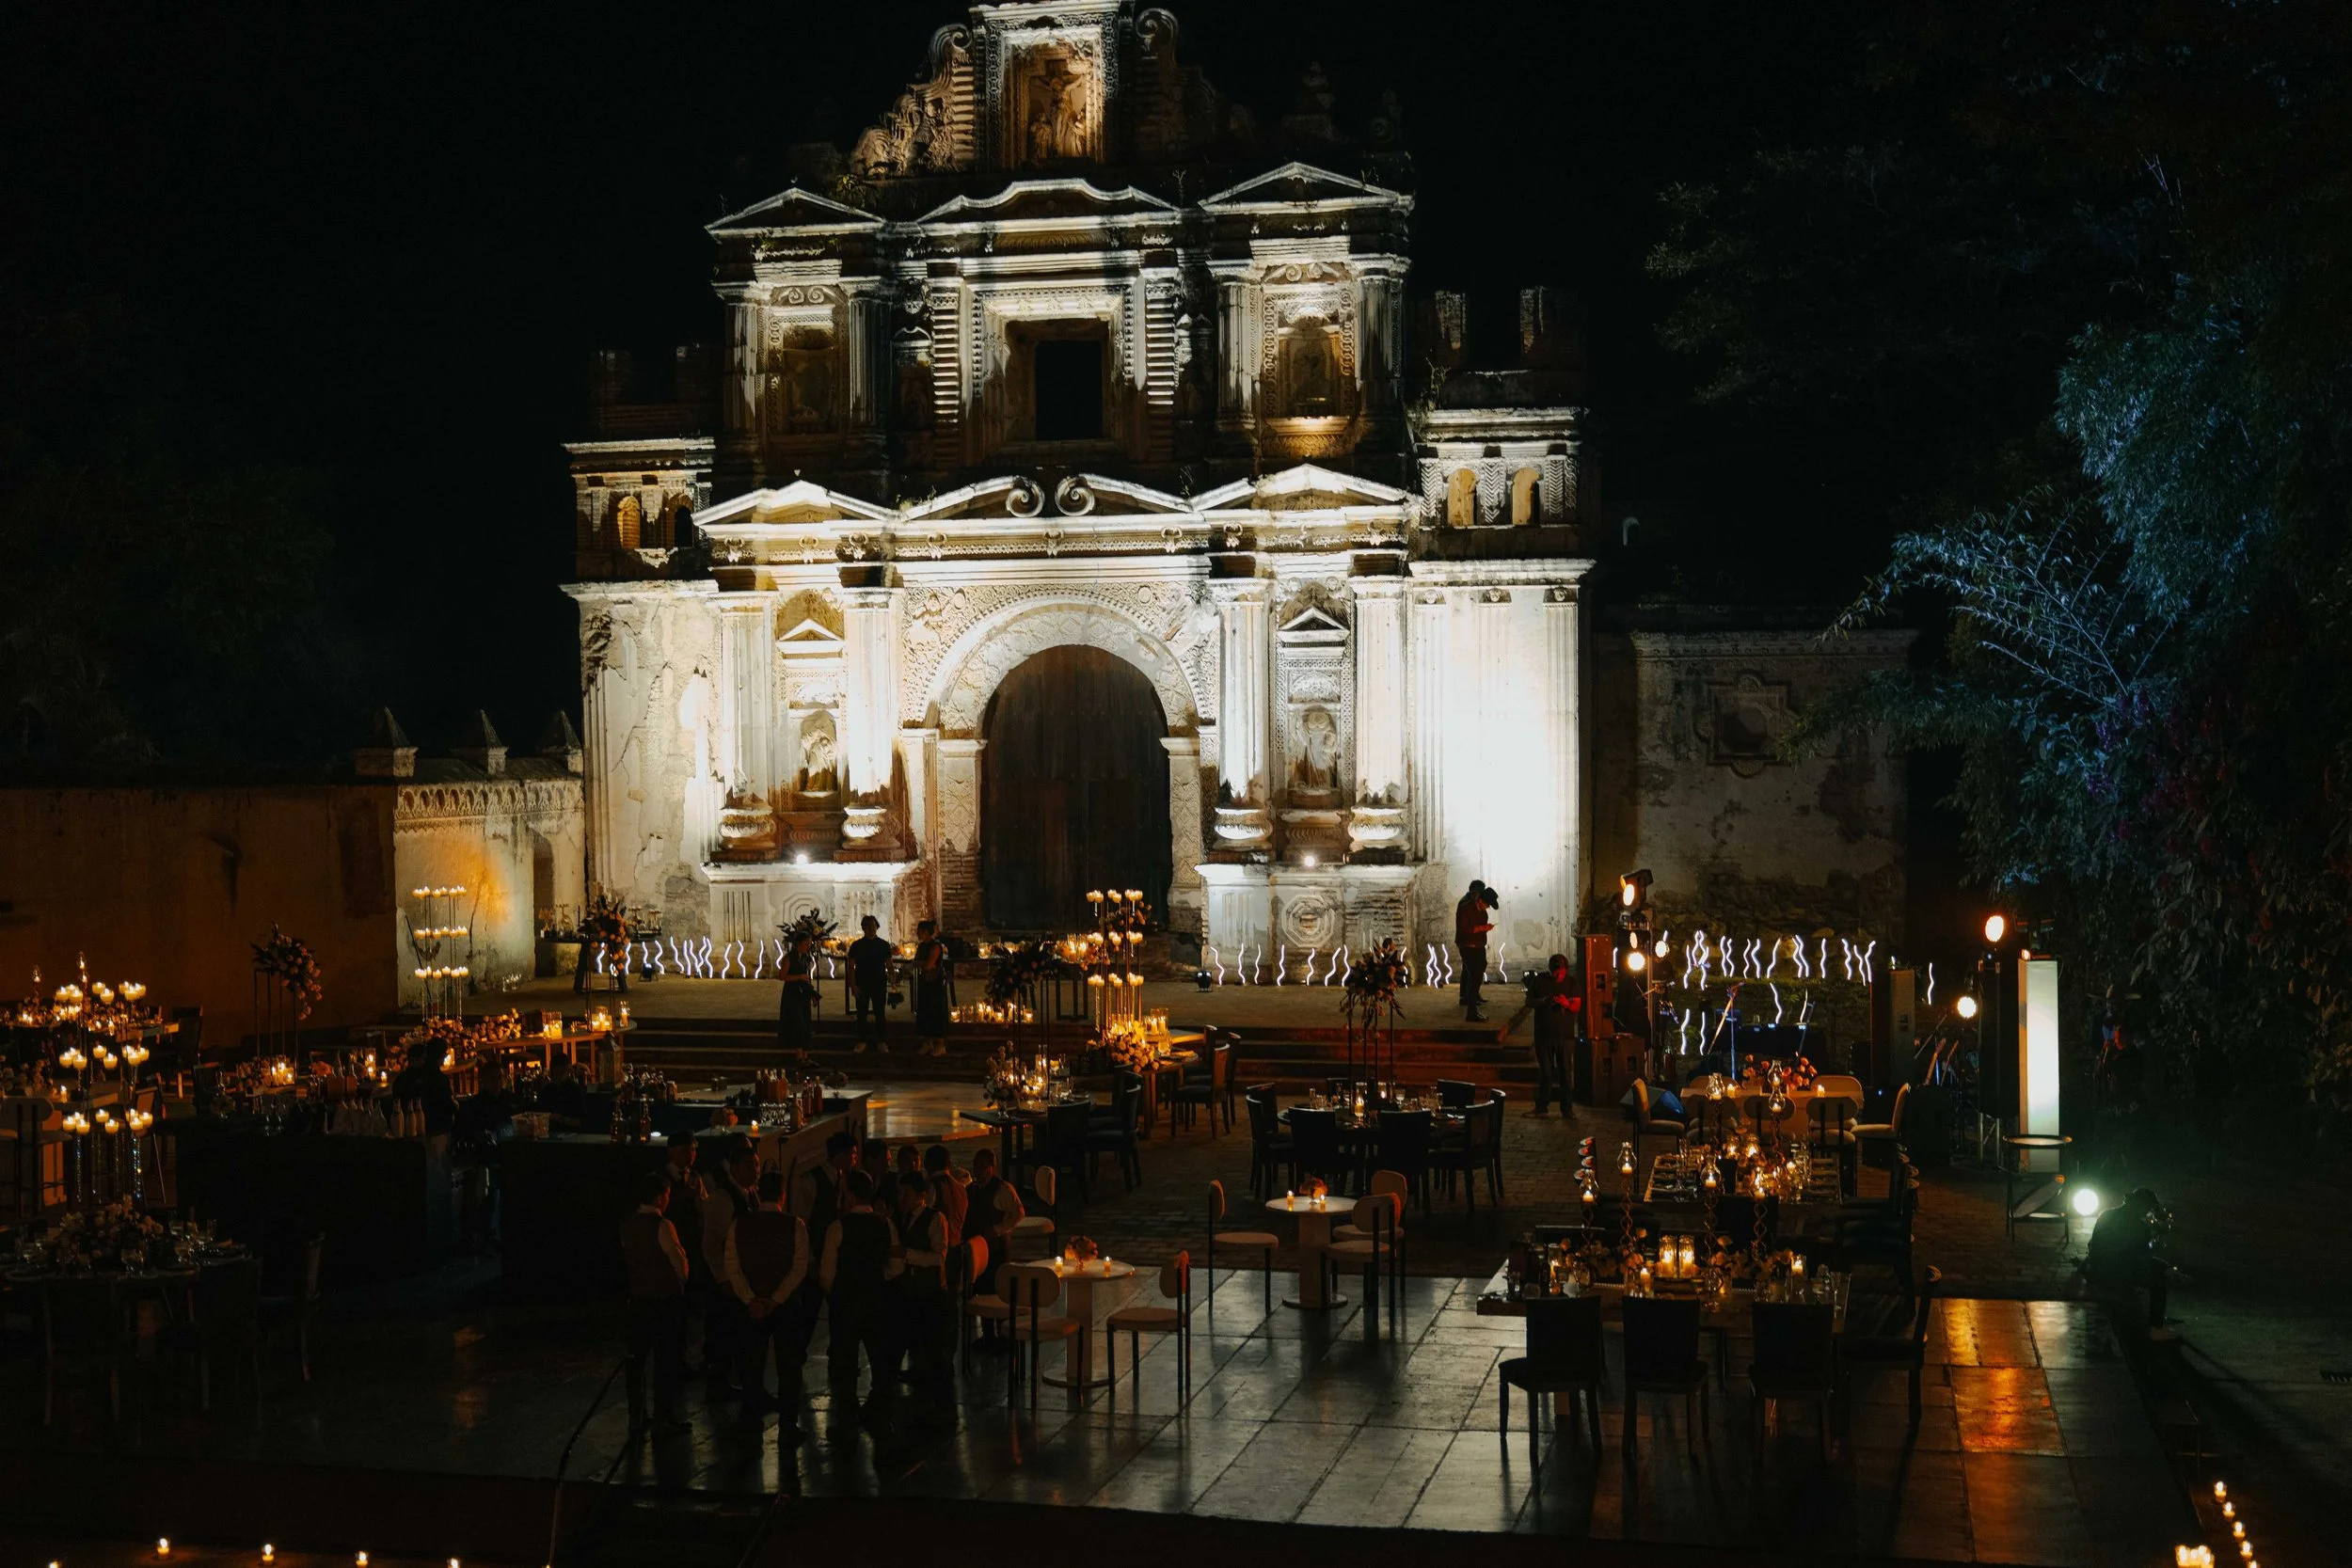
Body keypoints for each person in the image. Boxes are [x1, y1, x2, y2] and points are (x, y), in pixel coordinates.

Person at [723, 1169, 813, 1436]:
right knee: (789, 1367)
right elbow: (798, 1269)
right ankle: (788, 1425)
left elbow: (732, 1266)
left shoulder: (739, 1224)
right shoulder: (795, 1226)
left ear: (759, 1194)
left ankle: (751, 1419)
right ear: (782, 1196)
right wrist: (776, 1299)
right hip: (785, 1306)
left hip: (751, 1306)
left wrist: (750, 1299)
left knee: (752, 1366)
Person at [818, 1167, 899, 1432]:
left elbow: (827, 1273)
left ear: (850, 1196)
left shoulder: (837, 1228)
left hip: (846, 1302)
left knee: (845, 1361)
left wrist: (839, 1289)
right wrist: (878, 1278)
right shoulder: (885, 1223)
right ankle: (881, 1412)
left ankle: (846, 1416)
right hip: (877, 1300)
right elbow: (896, 1266)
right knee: (880, 1359)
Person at [619, 1169, 690, 1434]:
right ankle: (664, 1416)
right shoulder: (662, 1226)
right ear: (660, 1198)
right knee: (666, 1359)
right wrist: (683, 1278)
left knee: (636, 1359)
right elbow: (677, 1261)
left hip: (638, 1299)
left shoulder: (627, 1224)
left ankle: (637, 1413)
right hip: (664, 1300)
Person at [887, 1170, 955, 1428]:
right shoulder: (899, 1217)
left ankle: (943, 1405)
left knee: (935, 1353)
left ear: (922, 1196)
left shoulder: (935, 1220)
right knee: (896, 1347)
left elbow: (939, 1257)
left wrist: (907, 1254)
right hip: (906, 1293)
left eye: (906, 1193)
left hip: (930, 1295)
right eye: (900, 1193)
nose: (901, 1198)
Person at [698, 1135, 759, 1398]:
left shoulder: (750, 1194)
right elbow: (713, 1243)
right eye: (749, 1166)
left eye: (756, 1165)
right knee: (723, 1331)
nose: (755, 1170)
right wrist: (722, 1277)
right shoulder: (722, 1198)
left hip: (741, 1277)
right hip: (725, 1279)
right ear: (734, 1168)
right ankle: (719, 1381)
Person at [2085, 1187, 2174, 1332]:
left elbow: (2093, 1244)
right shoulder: (2141, 1227)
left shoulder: (2106, 1214)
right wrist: (2161, 1260)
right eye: (2148, 1208)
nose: (2148, 1212)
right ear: (2142, 1206)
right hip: (2114, 1272)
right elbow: (2143, 1259)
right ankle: (2156, 1326)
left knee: (2156, 1268)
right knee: (2158, 1281)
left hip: (2096, 1268)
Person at [1506, 952, 1581, 1115]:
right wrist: (1544, 1001)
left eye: (1560, 972)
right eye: (1555, 971)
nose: (1557, 975)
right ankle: (1542, 1107)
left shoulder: (1571, 983)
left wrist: (1565, 1003)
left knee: (1565, 1074)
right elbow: (1528, 1001)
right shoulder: (1540, 980)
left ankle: (1567, 1109)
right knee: (1546, 1073)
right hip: (1544, 1035)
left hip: (1564, 1037)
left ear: (1565, 970)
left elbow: (1576, 1006)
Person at [847, 914, 894, 1053]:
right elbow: (851, 966)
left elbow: (889, 964)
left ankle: (882, 1041)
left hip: (879, 982)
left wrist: (892, 978)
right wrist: (853, 985)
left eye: (872, 926)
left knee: (880, 1012)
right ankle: (862, 1040)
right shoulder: (856, 945)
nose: (870, 929)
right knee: (861, 1012)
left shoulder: (884, 945)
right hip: (862, 982)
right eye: (867, 927)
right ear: (863, 928)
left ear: (876, 927)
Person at [1454, 879, 1497, 1022]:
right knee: (1473, 976)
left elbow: (1480, 929)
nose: (1487, 907)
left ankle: (1472, 1001)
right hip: (1467, 947)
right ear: (1480, 900)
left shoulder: (1483, 913)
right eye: (1487, 904)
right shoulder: (1466, 907)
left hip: (1479, 947)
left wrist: (1484, 930)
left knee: (1477, 976)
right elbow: (1464, 930)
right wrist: (1482, 928)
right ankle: (1470, 1009)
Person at [913, 921, 952, 1058]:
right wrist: (924, 963)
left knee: (936, 1012)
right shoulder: (922, 946)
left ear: (925, 932)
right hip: (925, 982)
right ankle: (927, 1042)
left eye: (919, 930)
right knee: (925, 1010)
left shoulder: (935, 946)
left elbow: (929, 965)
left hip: (935, 983)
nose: (917, 933)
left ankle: (940, 1045)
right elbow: (916, 962)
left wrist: (923, 963)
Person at [777, 930, 818, 1054]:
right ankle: (799, 1056)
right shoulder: (789, 958)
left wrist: (812, 994)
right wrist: (799, 977)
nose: (808, 947)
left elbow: (805, 977)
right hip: (792, 994)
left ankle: (805, 1055)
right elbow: (782, 976)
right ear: (798, 944)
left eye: (809, 944)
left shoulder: (805, 958)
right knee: (797, 1024)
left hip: (803, 994)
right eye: (806, 944)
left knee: (806, 1024)